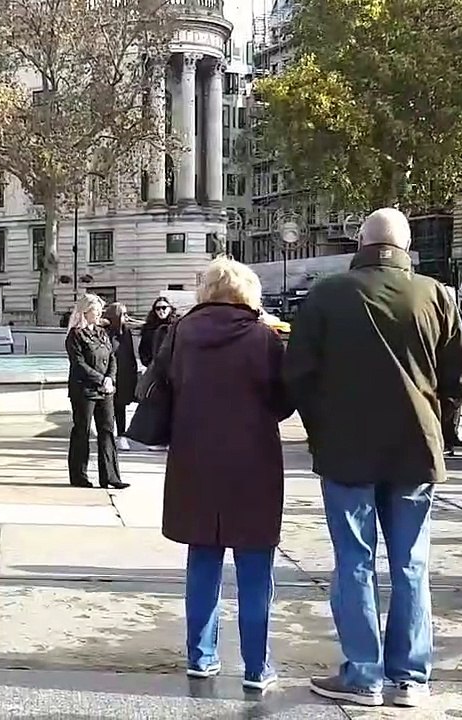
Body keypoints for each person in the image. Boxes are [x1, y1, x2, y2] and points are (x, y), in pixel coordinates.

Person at [285, 208, 462, 708]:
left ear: (361, 241)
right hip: (416, 448)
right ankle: (409, 679)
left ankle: (363, 674)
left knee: (354, 561)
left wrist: (320, 427)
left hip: (346, 449)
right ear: (404, 247)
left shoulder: (326, 294)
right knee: (411, 563)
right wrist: (439, 422)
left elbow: (297, 374)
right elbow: (460, 380)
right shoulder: (437, 296)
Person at [154, 258, 291, 692]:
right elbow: (284, 400)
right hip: (253, 463)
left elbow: (165, 385)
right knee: (254, 567)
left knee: (203, 559)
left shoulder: (180, 334)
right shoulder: (264, 339)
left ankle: (201, 655)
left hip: (195, 459)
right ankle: (256, 666)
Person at [64, 294, 128, 490]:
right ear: (85, 311)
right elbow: (79, 364)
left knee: (107, 430)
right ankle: (79, 475)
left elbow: (112, 357)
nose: (99, 312)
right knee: (82, 431)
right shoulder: (75, 335)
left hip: (105, 390)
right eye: (94, 309)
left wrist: (110, 378)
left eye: (100, 309)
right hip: (84, 389)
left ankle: (110, 476)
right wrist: (100, 379)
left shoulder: (102, 333)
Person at [103, 302, 139, 451]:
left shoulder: (125, 332)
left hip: (124, 375)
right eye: (123, 314)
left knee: (121, 407)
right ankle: (107, 436)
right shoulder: (104, 332)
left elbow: (130, 354)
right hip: (108, 375)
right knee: (108, 408)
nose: (126, 317)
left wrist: (133, 374)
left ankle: (122, 436)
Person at [138, 297, 177, 368]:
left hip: (173, 368)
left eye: (164, 307)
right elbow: (143, 349)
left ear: (170, 309)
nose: (161, 311)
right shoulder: (149, 328)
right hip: (155, 368)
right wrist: (150, 363)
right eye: (158, 308)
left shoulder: (176, 326)